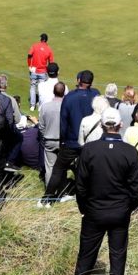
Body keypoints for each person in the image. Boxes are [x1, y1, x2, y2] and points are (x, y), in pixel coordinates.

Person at [60, 108, 138, 275]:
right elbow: (136, 188)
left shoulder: (89, 150)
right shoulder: (130, 151)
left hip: (95, 210)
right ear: (120, 125)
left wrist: (84, 207)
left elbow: (80, 184)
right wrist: (127, 207)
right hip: (118, 210)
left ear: (103, 125)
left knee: (86, 253)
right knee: (118, 252)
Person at [44, 70, 99, 204]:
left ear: (78, 80)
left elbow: (63, 122)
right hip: (89, 142)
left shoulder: (70, 97)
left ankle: (47, 199)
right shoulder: (96, 95)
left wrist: (63, 142)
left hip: (71, 142)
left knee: (58, 169)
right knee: (86, 170)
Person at [37, 82, 66, 190]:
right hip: (63, 141)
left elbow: (41, 126)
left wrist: (45, 136)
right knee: (62, 167)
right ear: (64, 93)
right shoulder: (66, 106)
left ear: (54, 92)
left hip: (49, 139)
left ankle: (50, 192)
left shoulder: (45, 107)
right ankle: (62, 190)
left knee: (50, 167)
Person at [27, 33, 55, 110]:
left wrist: (29, 65)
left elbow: (29, 55)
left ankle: (32, 105)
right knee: (41, 88)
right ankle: (40, 104)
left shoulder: (35, 46)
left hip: (34, 70)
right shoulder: (49, 49)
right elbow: (51, 63)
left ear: (41, 39)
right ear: (46, 40)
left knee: (33, 87)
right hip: (43, 71)